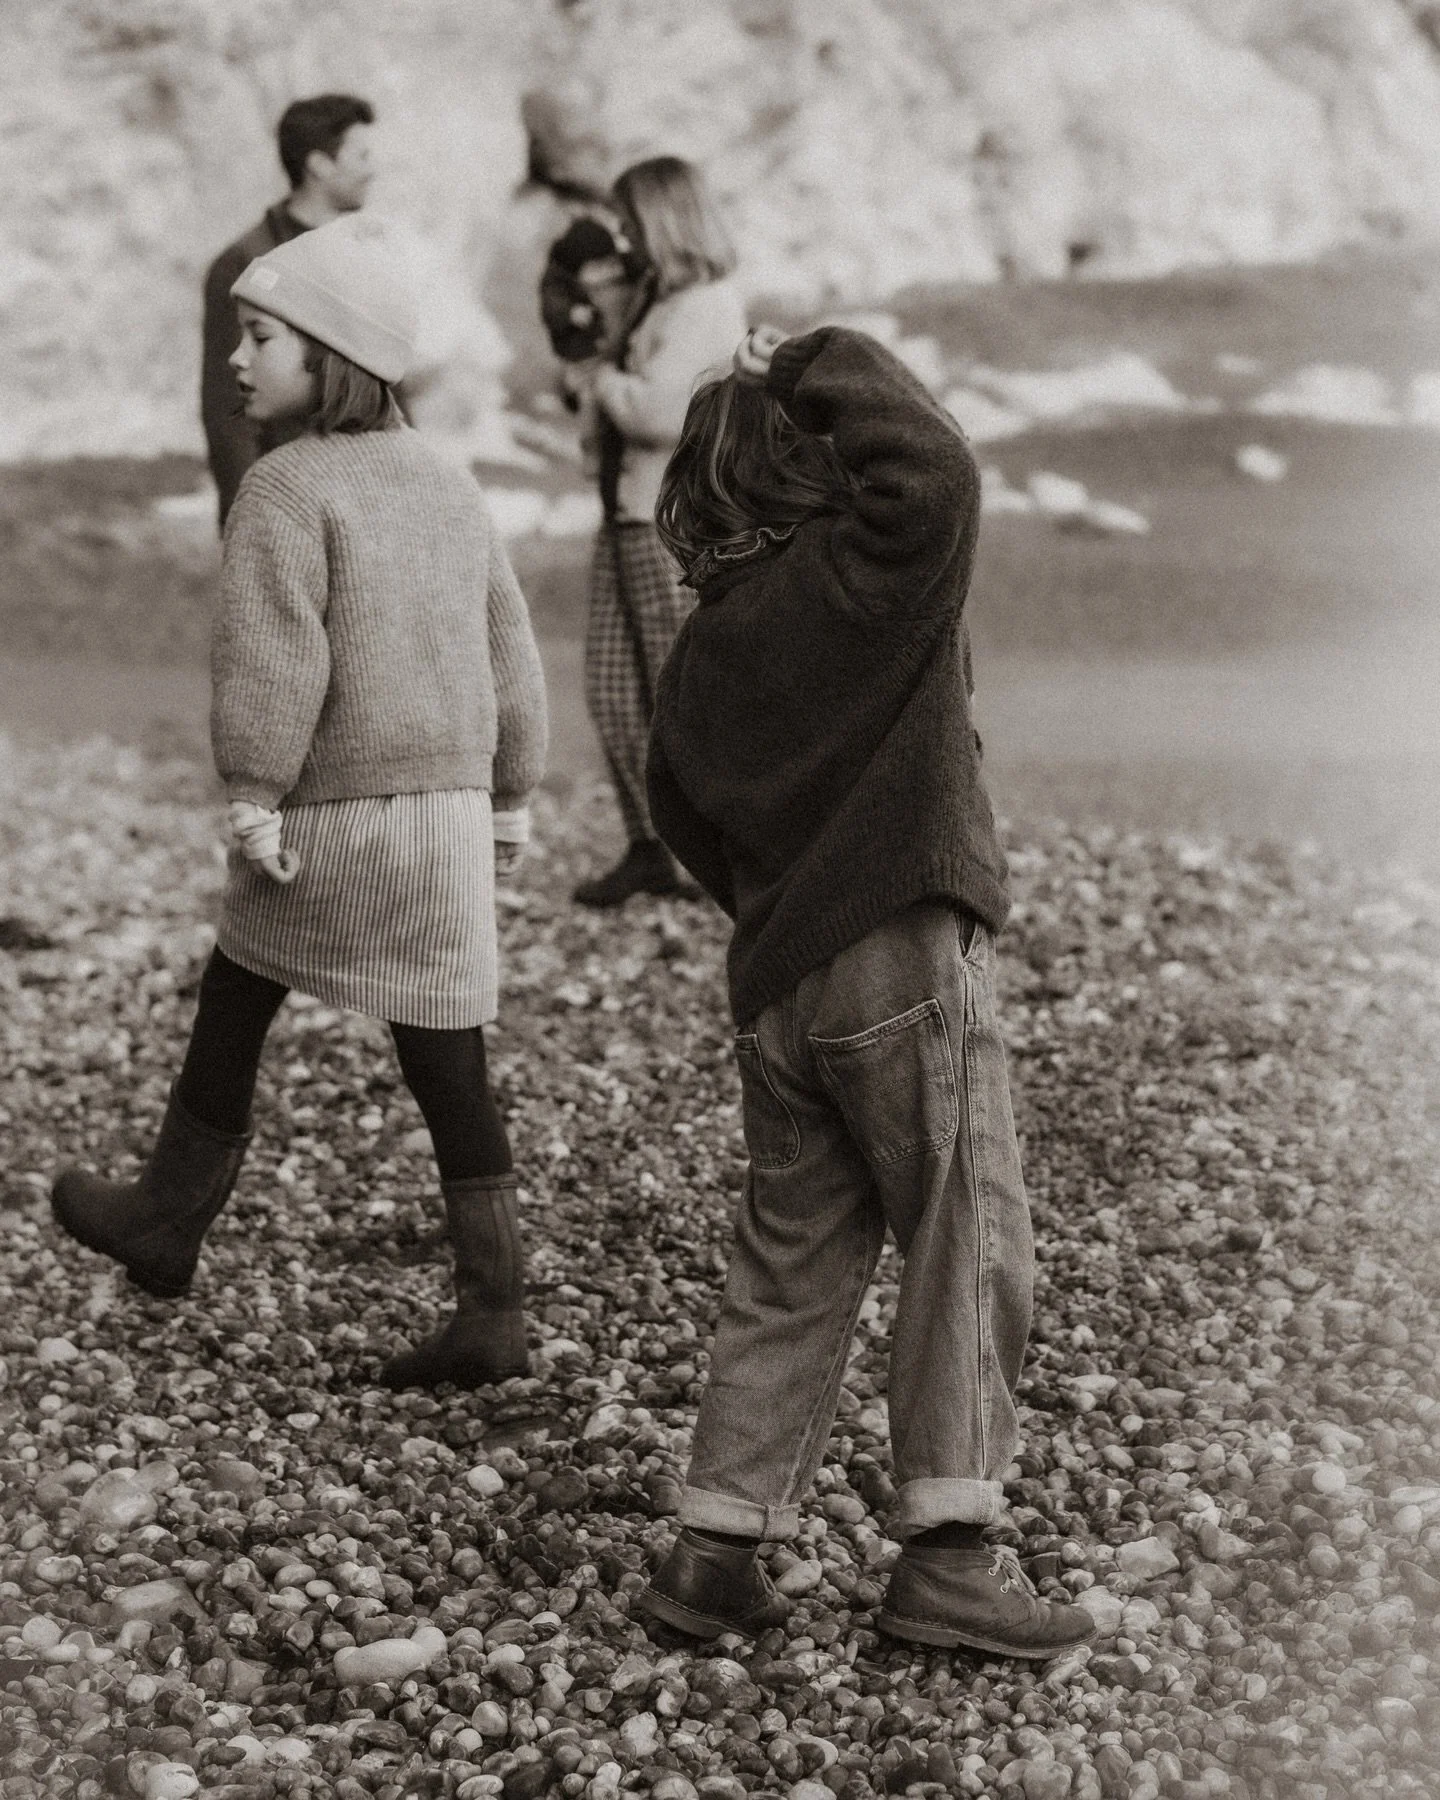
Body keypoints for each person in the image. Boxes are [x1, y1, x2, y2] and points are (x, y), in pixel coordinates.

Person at [635, 324, 1097, 1658]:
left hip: (779, 990)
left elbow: (681, 816)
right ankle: (951, 1555)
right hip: (900, 953)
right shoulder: (868, 574)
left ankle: (716, 1548)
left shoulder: (702, 654)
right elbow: (940, 466)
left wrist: (786, 906)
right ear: (813, 468)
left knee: (791, 1260)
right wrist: (812, 353)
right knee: (964, 1231)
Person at [53, 217, 549, 1392]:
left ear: (333, 354)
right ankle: (495, 1307)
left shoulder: (283, 486)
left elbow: (277, 662)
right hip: (447, 822)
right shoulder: (449, 481)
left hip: (338, 816)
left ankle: (167, 1218)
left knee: (238, 984)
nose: (237, 358)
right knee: (447, 1051)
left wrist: (254, 790)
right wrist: (513, 794)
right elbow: (510, 651)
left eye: (262, 336)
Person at [568, 156, 748, 908]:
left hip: (667, 521)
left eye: (630, 223)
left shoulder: (707, 307)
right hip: (625, 512)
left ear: (664, 222)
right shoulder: (660, 303)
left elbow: (659, 413)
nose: (623, 239)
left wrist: (600, 379)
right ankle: (652, 846)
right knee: (614, 690)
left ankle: (718, 851)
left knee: (680, 694)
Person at [201, 93, 376, 530]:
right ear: (319, 165)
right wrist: (251, 520)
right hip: (286, 502)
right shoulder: (245, 264)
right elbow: (228, 410)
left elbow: (385, 378)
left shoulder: (360, 254)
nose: (373, 169)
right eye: (361, 155)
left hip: (362, 497)